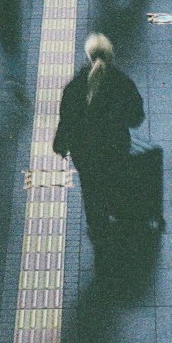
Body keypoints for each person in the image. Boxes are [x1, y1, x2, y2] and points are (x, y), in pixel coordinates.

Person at [53, 33, 145, 242]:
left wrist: (60, 143)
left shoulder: (74, 87)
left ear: (87, 56)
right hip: (115, 147)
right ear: (111, 55)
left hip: (84, 152)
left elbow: (66, 119)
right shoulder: (123, 83)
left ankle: (97, 225)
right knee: (114, 180)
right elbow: (136, 118)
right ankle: (117, 214)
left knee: (91, 187)